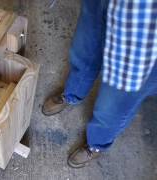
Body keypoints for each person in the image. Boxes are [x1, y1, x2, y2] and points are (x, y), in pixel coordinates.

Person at [42, 0, 157, 168]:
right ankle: (72, 94)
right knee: (86, 44)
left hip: (147, 18)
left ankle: (96, 144)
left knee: (116, 100)